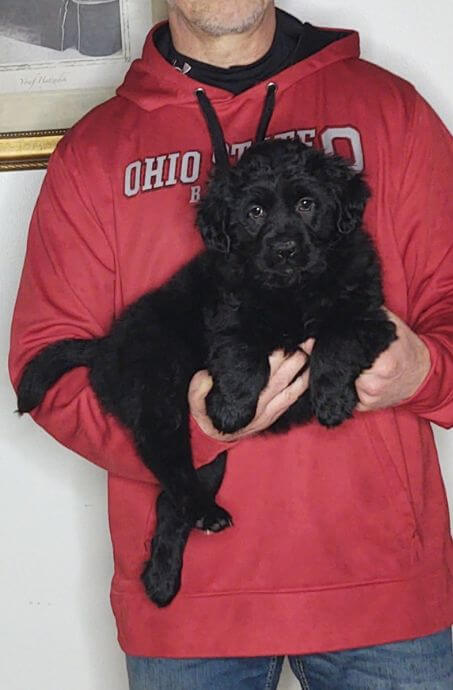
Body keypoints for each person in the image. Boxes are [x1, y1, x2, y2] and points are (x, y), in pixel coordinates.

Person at [8, 1, 453, 688]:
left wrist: (425, 372)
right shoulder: (96, 152)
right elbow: (50, 365)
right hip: (190, 611)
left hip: (382, 597)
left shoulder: (389, 110)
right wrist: (182, 428)